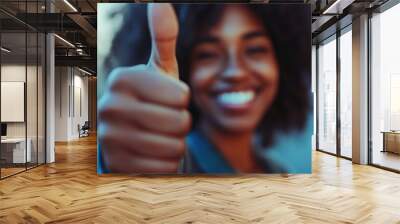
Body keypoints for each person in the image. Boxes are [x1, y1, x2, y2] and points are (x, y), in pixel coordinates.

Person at [98, 3, 311, 174]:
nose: (235, 72)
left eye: (255, 49)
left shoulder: (278, 170)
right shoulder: (176, 163)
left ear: (282, 62)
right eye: (208, 54)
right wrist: (129, 160)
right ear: (187, 68)